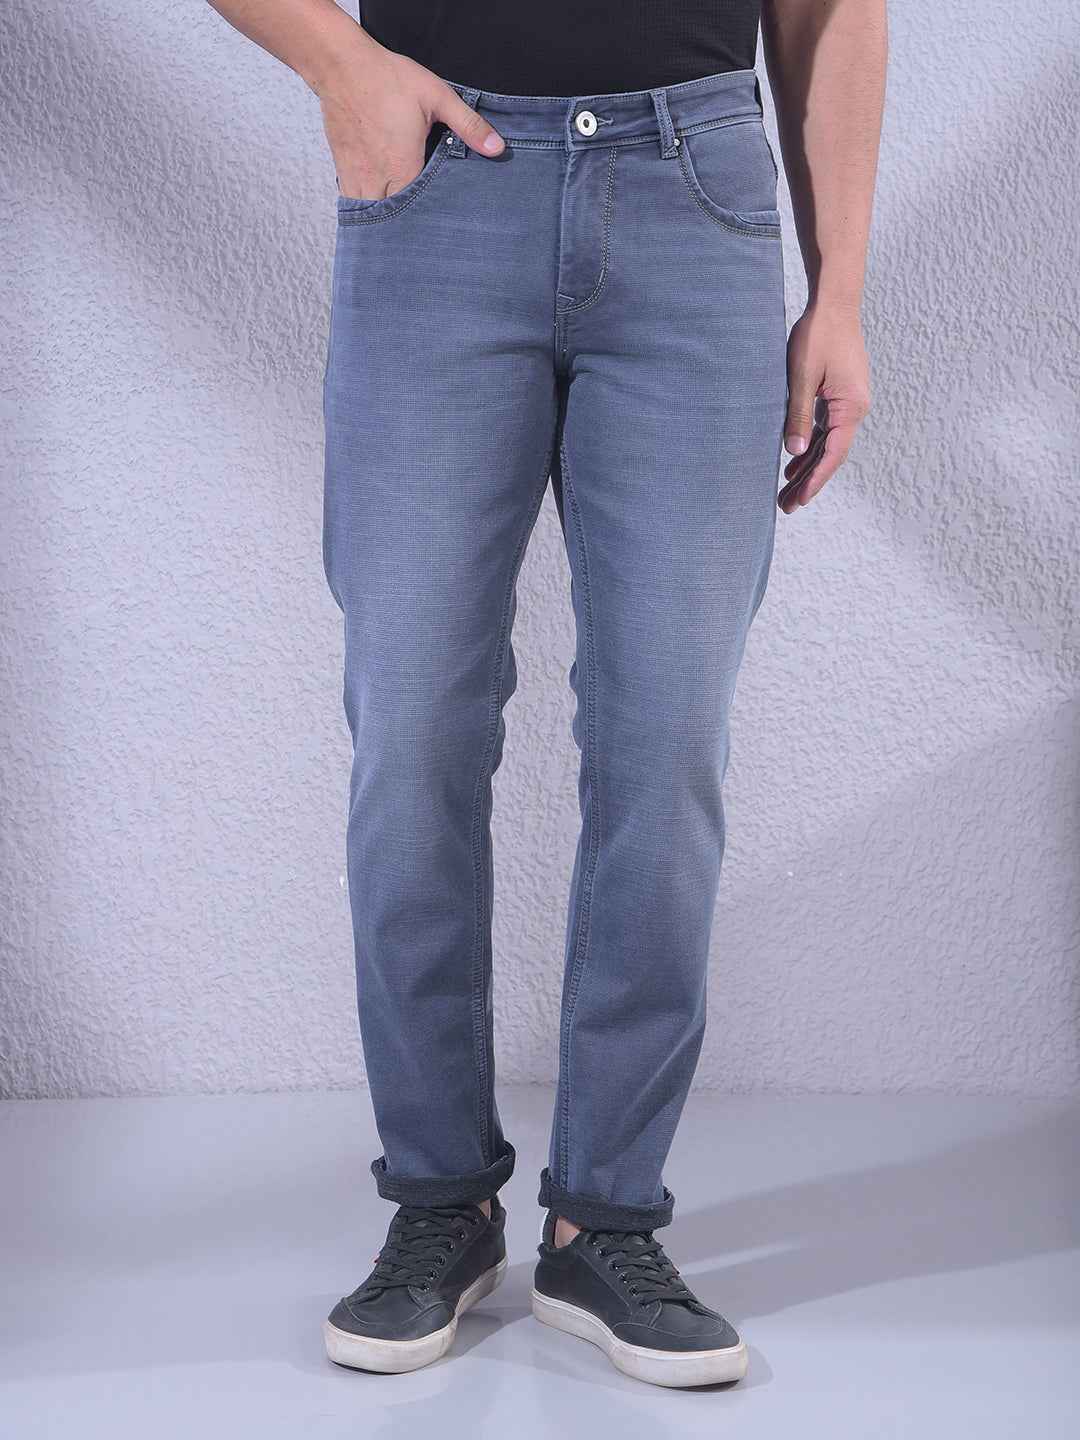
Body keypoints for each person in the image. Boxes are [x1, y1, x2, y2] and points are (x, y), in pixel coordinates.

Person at [209, 0, 885, 1388]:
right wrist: (341, 65)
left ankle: (606, 1220)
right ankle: (439, 1202)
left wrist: (843, 294)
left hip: (698, 201)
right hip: (444, 187)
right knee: (413, 722)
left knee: (665, 735)